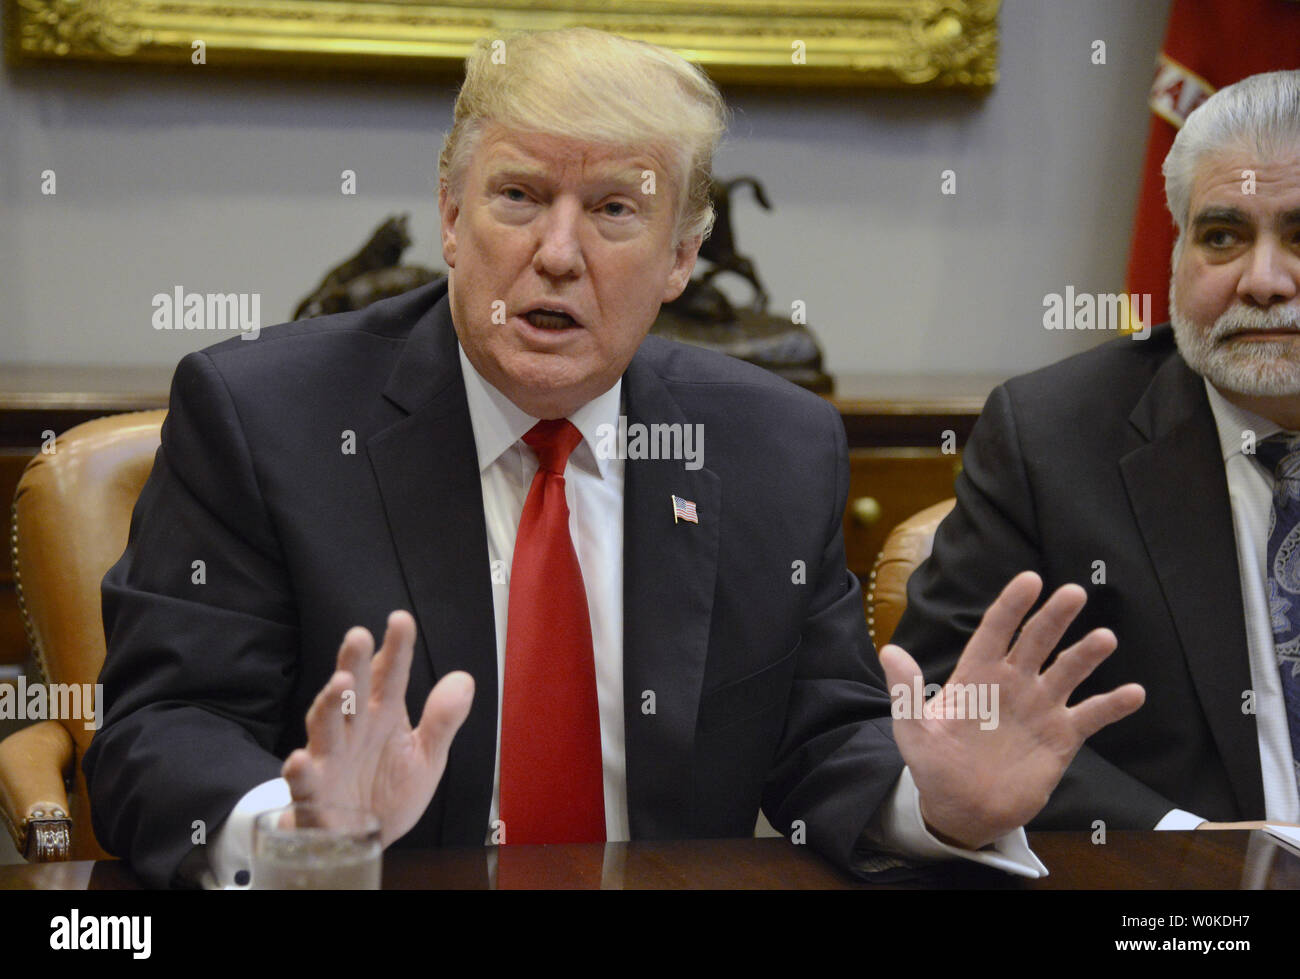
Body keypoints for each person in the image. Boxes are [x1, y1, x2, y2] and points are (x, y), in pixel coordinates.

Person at [83, 27, 1141, 888]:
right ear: (450, 217)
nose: (555, 252)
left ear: (683, 255)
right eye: (516, 197)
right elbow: (161, 734)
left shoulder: (772, 445)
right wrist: (296, 828)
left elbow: (824, 738)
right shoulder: (264, 418)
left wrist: (934, 804)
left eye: (613, 211)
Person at [891, 69, 1300, 832]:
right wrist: (1196, 854)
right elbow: (948, 726)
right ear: (1177, 253)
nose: (1264, 280)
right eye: (1223, 236)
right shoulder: (1052, 439)